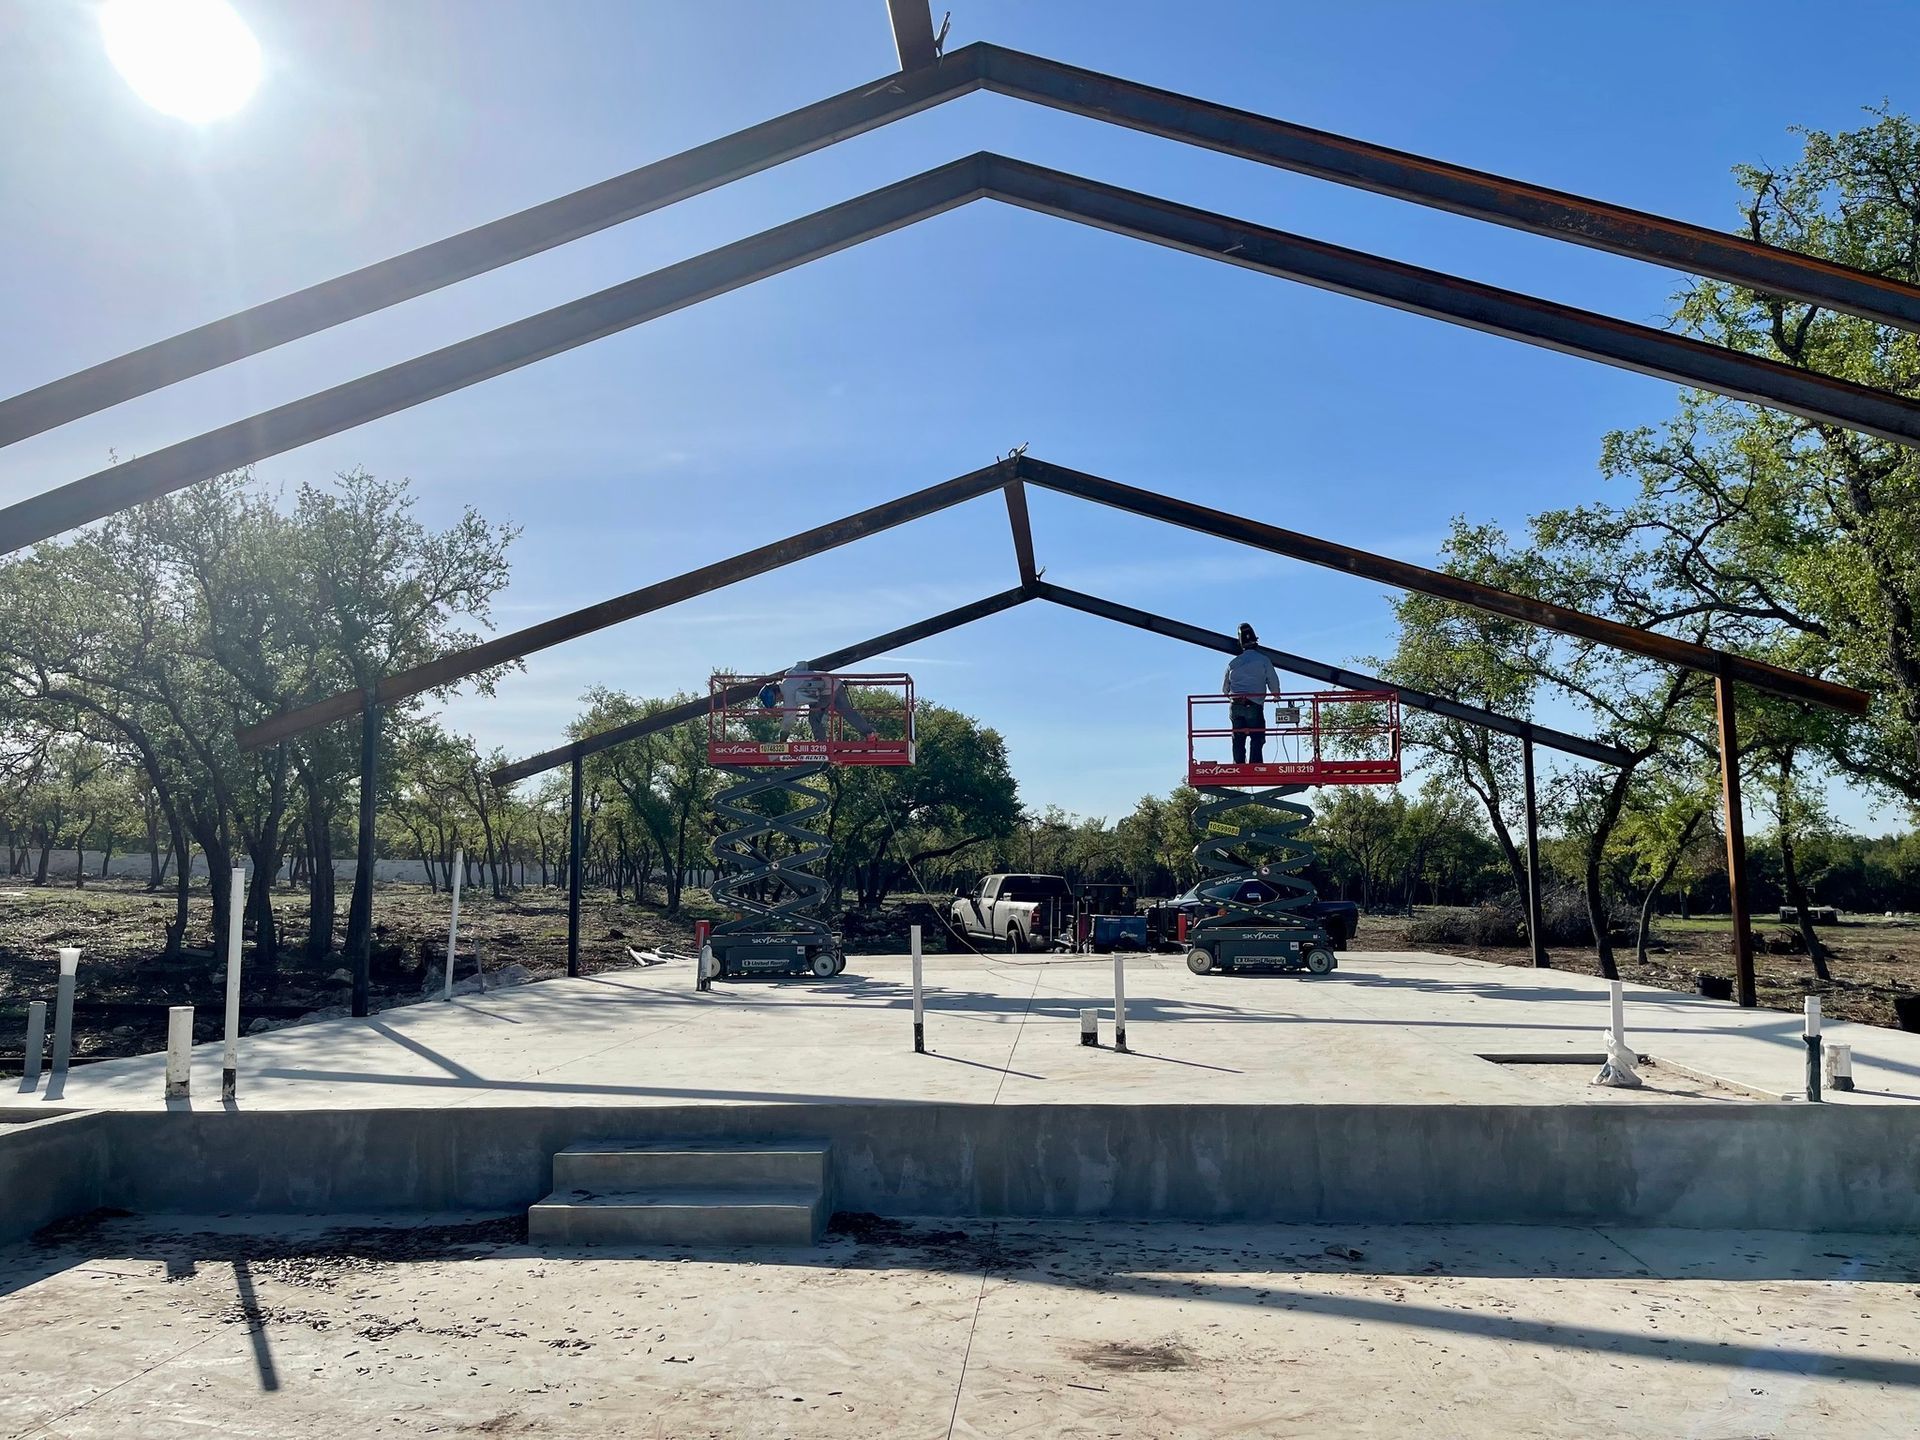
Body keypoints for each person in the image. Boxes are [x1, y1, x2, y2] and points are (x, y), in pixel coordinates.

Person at [1221, 622, 1284, 764]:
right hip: (1254, 704)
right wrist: (1276, 694)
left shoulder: (1233, 663)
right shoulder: (1263, 660)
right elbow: (1272, 681)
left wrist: (1232, 697)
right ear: (1256, 642)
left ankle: (1238, 765)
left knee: (1238, 737)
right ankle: (1255, 765)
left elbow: (1225, 689)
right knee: (1257, 736)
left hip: (1236, 705)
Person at [778, 663, 877, 742]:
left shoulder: (787, 692)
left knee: (814, 718)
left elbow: (789, 718)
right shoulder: (789, 674)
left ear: (776, 695)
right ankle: (869, 733)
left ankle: (821, 744)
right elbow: (803, 664)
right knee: (848, 712)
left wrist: (783, 736)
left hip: (826, 691)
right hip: (836, 683)